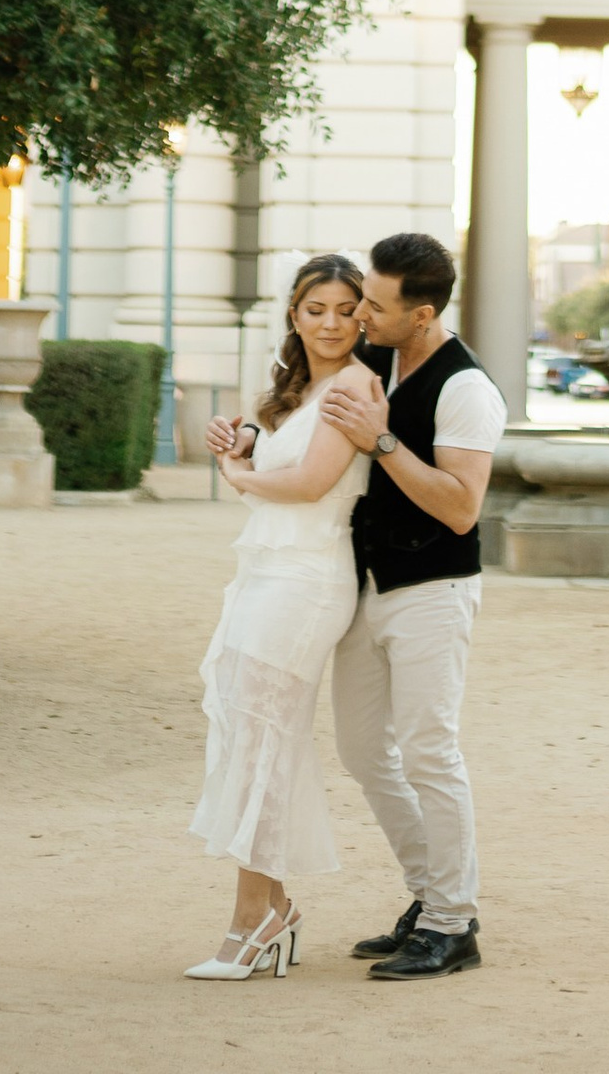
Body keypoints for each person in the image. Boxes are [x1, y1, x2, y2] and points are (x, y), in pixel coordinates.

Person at [317, 230, 508, 982]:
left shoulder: (467, 389)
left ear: (422, 313)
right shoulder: (376, 356)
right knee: (363, 749)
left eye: (375, 303)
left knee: (430, 752)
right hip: (364, 587)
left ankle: (453, 923)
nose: (360, 312)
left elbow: (461, 509)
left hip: (434, 589)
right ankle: (430, 897)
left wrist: (385, 441)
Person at [186, 252, 371, 982]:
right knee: (253, 734)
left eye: (345, 309)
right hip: (265, 572)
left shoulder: (356, 384)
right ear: (294, 315)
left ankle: (251, 921)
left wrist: (238, 472)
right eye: (315, 309)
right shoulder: (297, 390)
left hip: (308, 580)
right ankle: (277, 911)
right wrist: (244, 447)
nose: (330, 322)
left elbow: (312, 482)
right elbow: (275, 475)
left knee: (262, 737)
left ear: (364, 315)